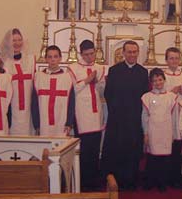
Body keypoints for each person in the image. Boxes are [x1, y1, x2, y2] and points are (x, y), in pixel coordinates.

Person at [101, 40, 149, 190]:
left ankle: (131, 180)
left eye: (135, 52)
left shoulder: (143, 72)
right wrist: (117, 111)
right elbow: (108, 93)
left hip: (135, 119)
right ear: (123, 53)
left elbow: (144, 96)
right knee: (116, 149)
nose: (132, 55)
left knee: (133, 150)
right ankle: (116, 180)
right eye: (129, 52)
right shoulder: (114, 70)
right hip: (117, 119)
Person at [69, 40, 107, 190]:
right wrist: (86, 81)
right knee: (84, 150)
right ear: (81, 54)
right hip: (81, 113)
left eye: (92, 54)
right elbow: (71, 91)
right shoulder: (73, 69)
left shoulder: (100, 68)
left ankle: (94, 181)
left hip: (95, 112)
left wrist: (98, 83)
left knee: (95, 149)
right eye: (86, 54)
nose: (90, 57)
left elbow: (103, 93)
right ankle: (82, 182)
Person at [141, 68, 177, 192]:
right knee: (152, 157)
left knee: (164, 158)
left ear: (164, 80)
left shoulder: (172, 97)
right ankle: (150, 181)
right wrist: (145, 133)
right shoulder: (147, 97)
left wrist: (174, 133)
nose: (158, 82)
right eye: (154, 80)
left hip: (166, 130)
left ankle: (162, 182)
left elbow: (174, 117)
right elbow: (145, 117)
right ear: (151, 82)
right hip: (153, 130)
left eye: (160, 79)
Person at [31, 45, 75, 137]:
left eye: (56, 56)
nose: (53, 60)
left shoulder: (67, 77)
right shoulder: (38, 77)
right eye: (50, 57)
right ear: (46, 59)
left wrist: (69, 123)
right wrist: (37, 124)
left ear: (60, 58)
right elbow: (34, 103)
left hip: (61, 123)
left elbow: (71, 102)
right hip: (43, 124)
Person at [0, 28, 35, 135]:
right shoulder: (4, 62)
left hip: (28, 107)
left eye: (19, 40)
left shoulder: (30, 60)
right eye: (13, 40)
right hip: (12, 107)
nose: (17, 43)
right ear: (8, 42)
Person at [163, 47, 182, 188]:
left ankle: (179, 176)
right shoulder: (162, 76)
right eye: (171, 58)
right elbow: (158, 93)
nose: (174, 61)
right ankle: (166, 176)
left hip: (181, 113)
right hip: (167, 114)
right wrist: (171, 92)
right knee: (168, 143)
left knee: (179, 145)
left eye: (176, 58)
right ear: (166, 60)